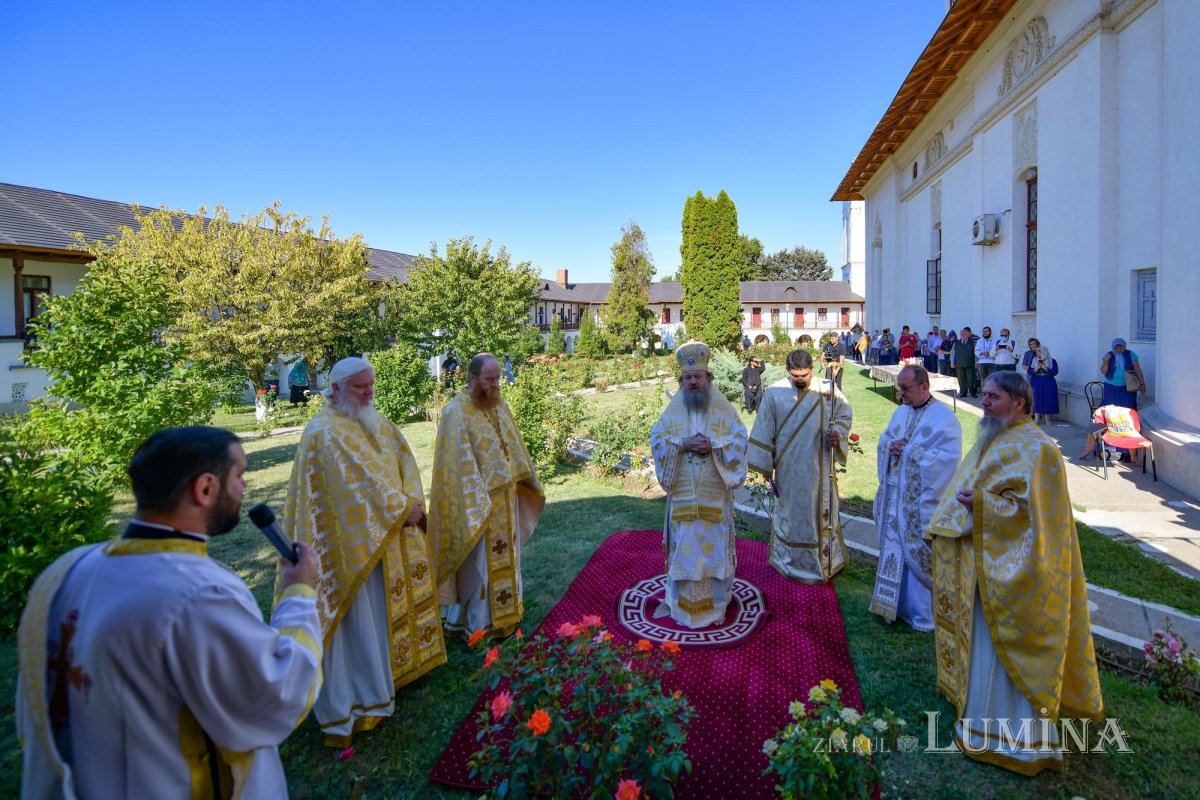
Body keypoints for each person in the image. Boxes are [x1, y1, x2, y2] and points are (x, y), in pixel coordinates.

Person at [17, 427, 323, 798]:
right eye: (239, 476)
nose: (244, 487)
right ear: (205, 488)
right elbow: (273, 696)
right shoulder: (197, 593)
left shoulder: (65, 571)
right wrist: (298, 594)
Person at [927, 371, 1103, 775]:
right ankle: (979, 719)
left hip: (1020, 575)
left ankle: (1022, 741)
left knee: (1010, 650)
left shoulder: (1040, 449)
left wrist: (982, 506)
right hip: (985, 564)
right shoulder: (992, 437)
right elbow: (968, 484)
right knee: (984, 647)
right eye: (985, 395)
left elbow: (1035, 520)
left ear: (1019, 403)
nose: (984, 402)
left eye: (993, 396)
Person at [283, 356, 447, 747]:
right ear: (335, 388)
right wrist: (401, 509)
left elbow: (403, 459)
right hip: (349, 549)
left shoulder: (373, 420)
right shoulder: (323, 432)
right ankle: (358, 698)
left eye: (371, 384)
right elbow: (355, 486)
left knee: (379, 613)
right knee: (358, 620)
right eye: (360, 387)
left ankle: (387, 676)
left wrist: (412, 501)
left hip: (383, 538)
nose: (369, 392)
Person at [430, 353, 545, 639]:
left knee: (509, 558)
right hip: (477, 504)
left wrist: (520, 477)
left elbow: (512, 446)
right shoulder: (455, 412)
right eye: (489, 379)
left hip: (506, 499)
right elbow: (454, 466)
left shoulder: (499, 404)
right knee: (480, 564)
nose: (495, 384)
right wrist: (479, 496)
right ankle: (478, 623)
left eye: (497, 379)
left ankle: (509, 613)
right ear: (472, 378)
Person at [650, 341, 748, 627]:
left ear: (708, 378)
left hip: (713, 502)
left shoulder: (723, 409)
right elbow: (658, 438)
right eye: (688, 377)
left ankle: (715, 608)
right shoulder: (674, 410)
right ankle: (680, 607)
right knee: (684, 550)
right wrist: (681, 444)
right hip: (683, 504)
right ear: (682, 380)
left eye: (698, 377)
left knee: (713, 551)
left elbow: (740, 439)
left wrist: (713, 445)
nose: (693, 382)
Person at [748, 349, 854, 582]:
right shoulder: (774, 393)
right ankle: (789, 560)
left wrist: (838, 434)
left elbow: (845, 416)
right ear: (788, 371)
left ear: (812, 370)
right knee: (790, 516)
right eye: (795, 375)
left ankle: (822, 561)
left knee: (817, 514)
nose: (800, 380)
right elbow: (764, 429)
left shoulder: (828, 390)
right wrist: (766, 467)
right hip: (788, 471)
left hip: (819, 468)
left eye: (804, 375)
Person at [871, 365, 962, 631]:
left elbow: (947, 461)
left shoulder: (945, 419)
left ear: (924, 387)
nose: (901, 393)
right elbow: (885, 440)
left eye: (906, 388)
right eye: (899, 387)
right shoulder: (901, 412)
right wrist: (890, 446)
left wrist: (908, 452)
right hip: (894, 496)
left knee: (916, 553)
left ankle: (920, 614)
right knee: (893, 548)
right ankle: (891, 605)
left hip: (919, 504)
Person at [1100, 338, 1147, 409]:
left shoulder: (1130, 354)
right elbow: (1103, 371)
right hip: (1110, 387)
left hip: (1128, 387)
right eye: (1116, 347)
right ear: (1113, 347)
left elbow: (1138, 370)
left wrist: (1142, 384)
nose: (1118, 349)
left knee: (1128, 407)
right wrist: (1106, 360)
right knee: (1111, 408)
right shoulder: (1108, 355)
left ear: (1124, 346)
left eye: (1121, 347)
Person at [1026, 342, 1059, 424]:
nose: (1037, 352)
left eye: (1039, 350)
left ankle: (1047, 418)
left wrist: (1046, 368)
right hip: (1036, 382)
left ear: (1044, 351)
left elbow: (1055, 372)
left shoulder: (1052, 361)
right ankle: (1036, 418)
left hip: (1048, 382)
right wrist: (1035, 369)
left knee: (1047, 398)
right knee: (1036, 398)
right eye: (1036, 351)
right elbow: (1029, 371)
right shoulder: (1034, 360)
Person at [951, 327, 978, 398]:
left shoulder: (973, 343)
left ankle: (973, 393)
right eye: (962, 334)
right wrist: (952, 362)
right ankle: (963, 393)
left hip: (970, 364)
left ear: (968, 335)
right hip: (959, 364)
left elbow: (976, 354)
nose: (963, 335)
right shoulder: (956, 343)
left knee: (971, 379)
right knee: (961, 380)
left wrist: (976, 362)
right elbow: (953, 353)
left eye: (965, 334)